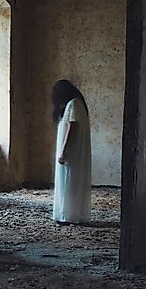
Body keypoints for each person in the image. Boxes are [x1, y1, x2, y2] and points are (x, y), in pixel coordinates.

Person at [51, 79, 91, 224]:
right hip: (73, 150)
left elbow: (72, 127)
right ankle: (71, 213)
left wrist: (63, 150)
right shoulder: (77, 103)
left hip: (72, 151)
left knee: (69, 181)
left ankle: (68, 215)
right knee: (72, 181)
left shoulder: (73, 104)